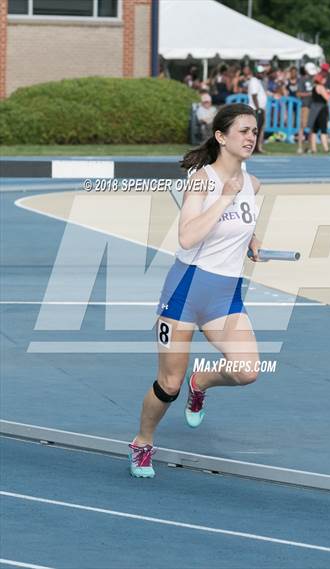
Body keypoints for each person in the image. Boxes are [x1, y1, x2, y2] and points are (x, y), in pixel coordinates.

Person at [129, 103, 263, 478]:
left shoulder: (253, 184)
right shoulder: (203, 180)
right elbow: (187, 237)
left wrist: (252, 239)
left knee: (247, 370)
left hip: (225, 295)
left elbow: (241, 221)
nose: (251, 137)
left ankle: (201, 382)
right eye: (243, 131)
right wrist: (224, 197)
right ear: (221, 137)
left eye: (254, 131)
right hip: (186, 292)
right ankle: (142, 443)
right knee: (168, 384)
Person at [243, 65, 267, 153]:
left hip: (259, 109)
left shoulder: (257, 81)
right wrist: (258, 108)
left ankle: (256, 148)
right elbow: (254, 95)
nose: (262, 74)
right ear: (256, 73)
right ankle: (253, 148)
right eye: (260, 72)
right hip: (256, 109)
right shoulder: (254, 81)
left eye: (262, 72)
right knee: (255, 130)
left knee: (259, 130)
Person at [307, 73, 330, 154]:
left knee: (314, 129)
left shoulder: (314, 88)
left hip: (314, 109)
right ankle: (326, 148)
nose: (325, 80)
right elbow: (327, 98)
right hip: (321, 109)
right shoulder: (321, 87)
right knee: (323, 130)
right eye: (324, 79)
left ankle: (314, 148)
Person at [297, 62, 316, 154]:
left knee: (312, 127)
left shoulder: (315, 80)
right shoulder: (302, 80)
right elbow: (299, 93)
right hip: (305, 105)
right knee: (303, 127)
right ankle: (300, 146)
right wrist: (310, 94)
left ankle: (310, 147)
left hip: (314, 105)